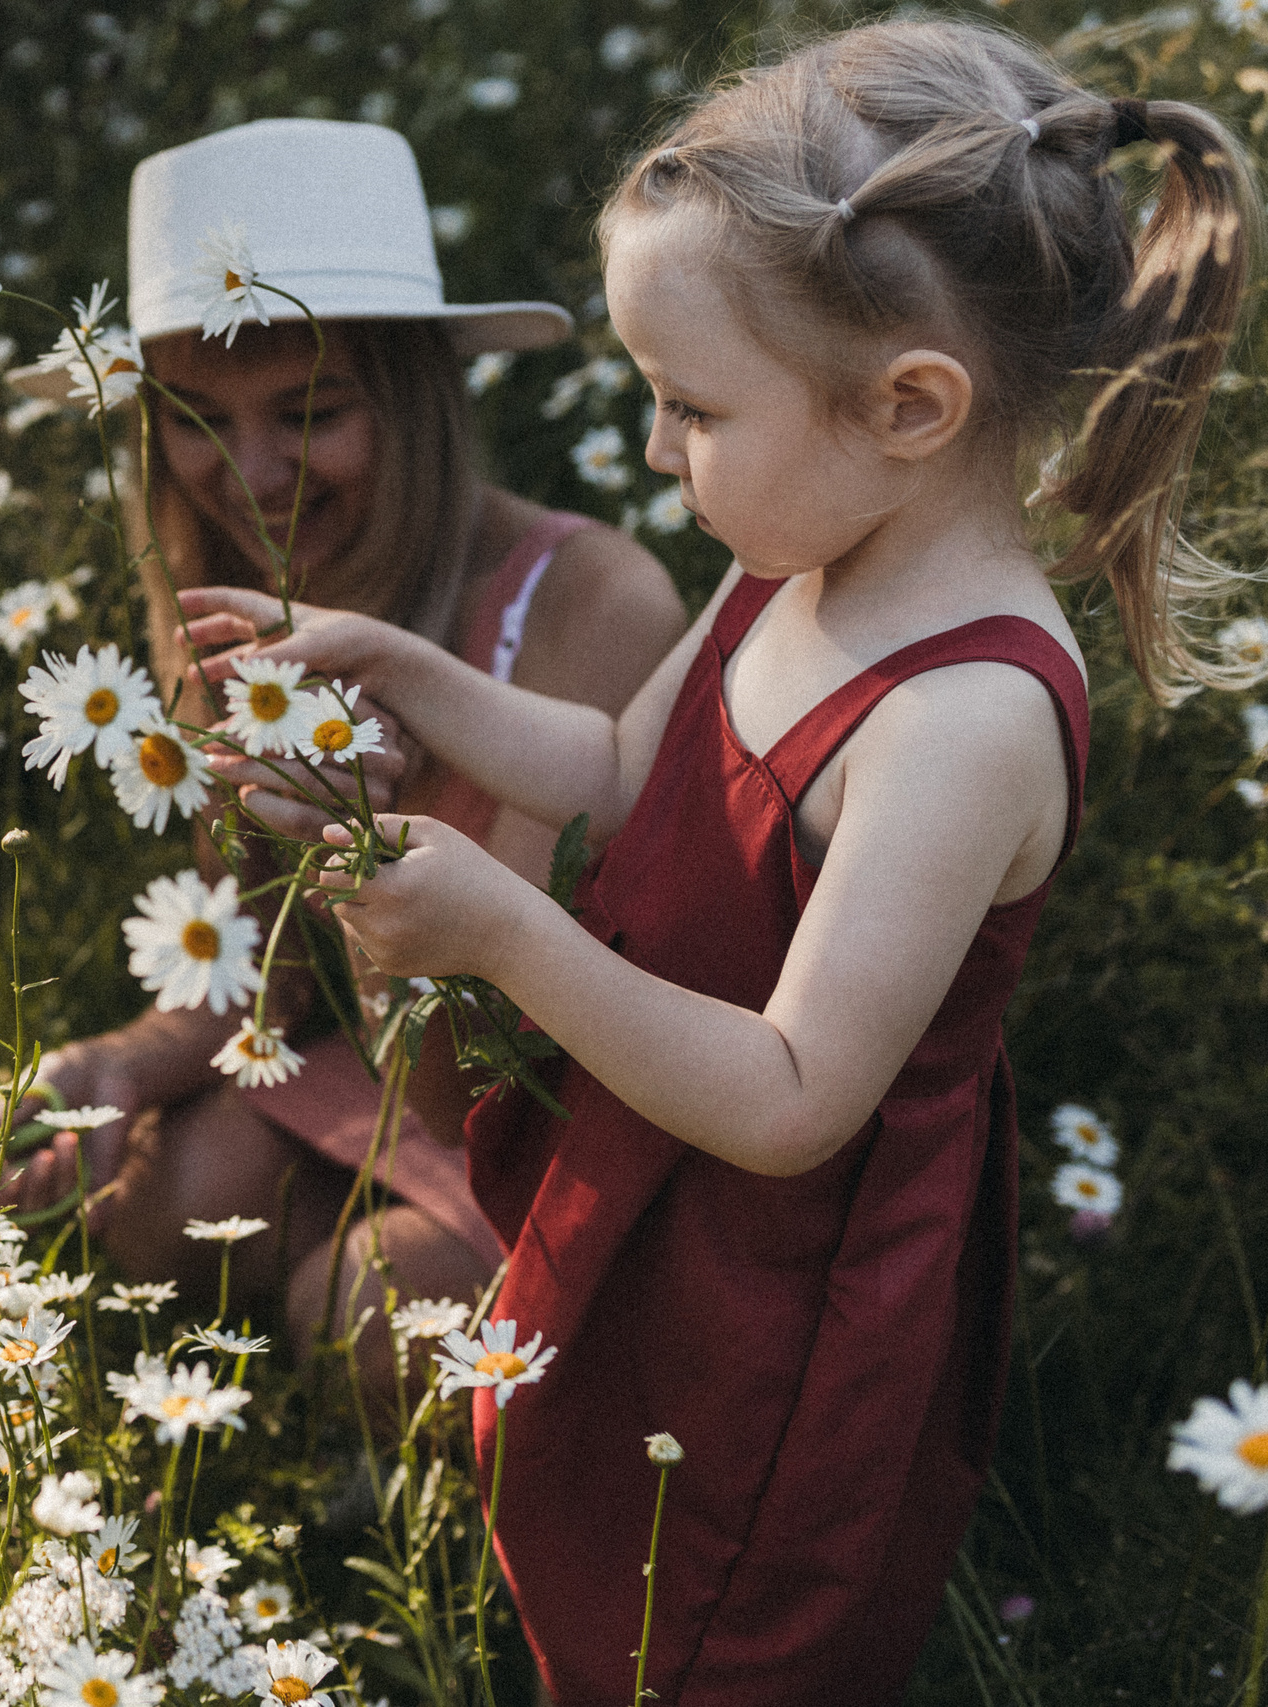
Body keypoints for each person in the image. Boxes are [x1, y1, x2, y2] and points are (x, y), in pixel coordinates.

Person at [181, 21, 1261, 1704]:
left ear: (909, 406)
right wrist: (402, 668)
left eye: (691, 405)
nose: (660, 448)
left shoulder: (964, 713)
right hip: (651, 1195)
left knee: (714, 1638)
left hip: (780, 1308)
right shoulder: (802, 556)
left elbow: (786, 1094)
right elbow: (617, 762)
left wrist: (500, 931)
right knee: (595, 1567)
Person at [2, 118, 686, 1373]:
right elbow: (260, 971)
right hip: (382, 1070)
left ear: (417, 402)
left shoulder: (587, 608)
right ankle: (302, 1438)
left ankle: (430, 1501)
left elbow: (485, 1072)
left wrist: (352, 850)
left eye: (309, 412)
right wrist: (115, 1066)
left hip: (571, 1113)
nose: (248, 474)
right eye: (196, 421)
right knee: (160, 1200)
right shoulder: (233, 595)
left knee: (363, 1311)